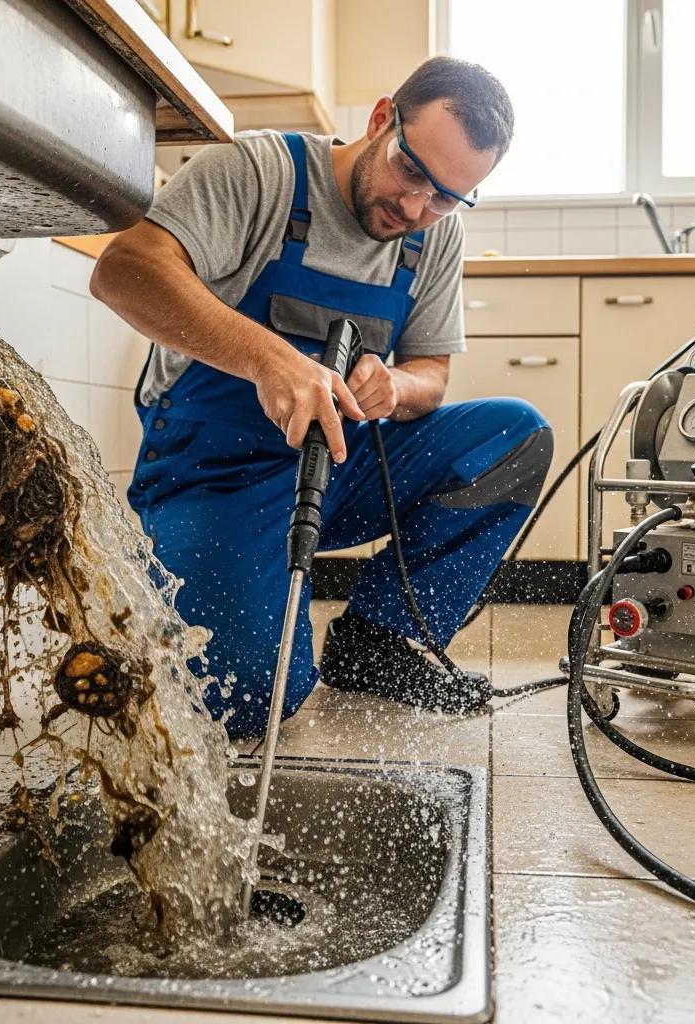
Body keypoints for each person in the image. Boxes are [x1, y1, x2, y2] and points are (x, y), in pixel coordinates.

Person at [90, 57, 553, 739]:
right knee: (248, 699)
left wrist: (396, 388)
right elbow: (123, 271)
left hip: (341, 465)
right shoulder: (259, 172)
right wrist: (271, 360)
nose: (418, 208)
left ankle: (375, 642)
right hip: (219, 474)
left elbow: (432, 373)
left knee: (513, 435)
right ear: (378, 120)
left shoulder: (435, 234)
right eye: (413, 171)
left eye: (448, 197)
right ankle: (192, 565)